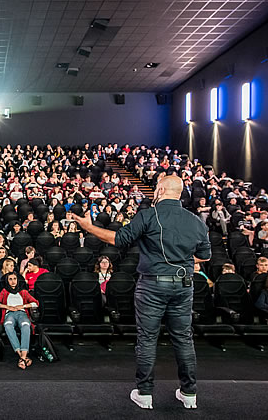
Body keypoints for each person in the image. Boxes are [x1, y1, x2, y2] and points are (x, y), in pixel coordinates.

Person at [73, 175, 210, 410]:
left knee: (147, 338)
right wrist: (182, 261)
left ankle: (145, 393)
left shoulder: (149, 215)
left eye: (157, 188)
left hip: (153, 285)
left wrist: (88, 227)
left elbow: (118, 239)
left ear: (162, 189)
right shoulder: (196, 220)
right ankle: (189, 394)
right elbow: (204, 256)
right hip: (184, 285)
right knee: (183, 339)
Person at [0, 272, 39, 369]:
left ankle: (22, 357)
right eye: (10, 279)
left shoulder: (23, 292)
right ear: (7, 281)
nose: (13, 281)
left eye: (14, 278)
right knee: (8, 325)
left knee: (26, 325)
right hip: (9, 314)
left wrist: (22, 306)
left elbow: (35, 303)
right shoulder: (4, 291)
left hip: (22, 313)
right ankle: (23, 356)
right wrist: (7, 307)